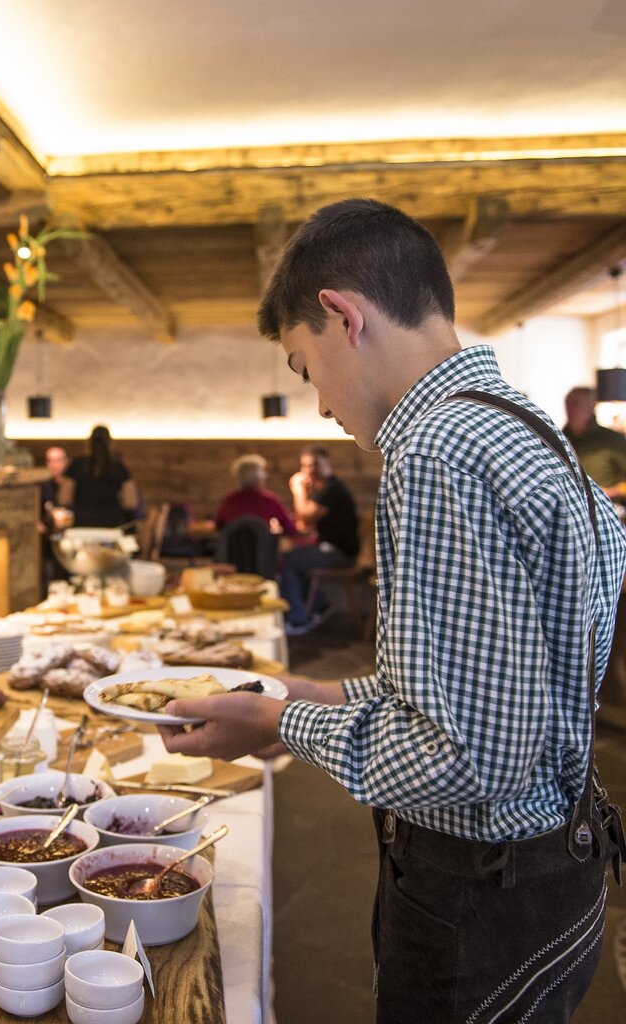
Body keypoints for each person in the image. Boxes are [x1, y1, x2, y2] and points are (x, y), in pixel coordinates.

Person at [157, 198, 626, 1024]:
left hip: (482, 896)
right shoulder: (525, 424)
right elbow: (483, 694)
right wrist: (300, 696)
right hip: (557, 869)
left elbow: (466, 759)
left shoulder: (434, 449)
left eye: (304, 368)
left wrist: (278, 725)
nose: (320, 407)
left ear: (342, 316)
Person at [279, 445, 359, 634]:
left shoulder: (332, 489)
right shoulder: (323, 489)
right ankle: (318, 604)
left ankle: (299, 619)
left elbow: (305, 518)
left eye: (314, 464)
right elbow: (304, 525)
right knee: (292, 558)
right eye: (305, 466)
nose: (309, 470)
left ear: (327, 463)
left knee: (288, 560)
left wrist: (298, 490)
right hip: (330, 548)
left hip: (340, 553)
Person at [57, 425, 140, 528]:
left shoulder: (77, 465)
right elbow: (131, 503)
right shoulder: (118, 467)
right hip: (112, 525)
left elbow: (64, 499)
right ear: (110, 442)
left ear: (89, 442)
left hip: (83, 524)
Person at [563, 385, 626, 502]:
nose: (570, 408)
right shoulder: (559, 439)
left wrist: (608, 492)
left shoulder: (612, 439)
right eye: (567, 403)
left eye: (576, 403)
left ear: (591, 406)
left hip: (605, 508)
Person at [214, 453, 297, 535]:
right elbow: (290, 528)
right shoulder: (269, 500)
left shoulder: (229, 501)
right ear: (259, 478)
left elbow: (218, 526)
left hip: (233, 548)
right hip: (264, 548)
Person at [39, 445, 70, 594]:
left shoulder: (71, 484)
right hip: (49, 539)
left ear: (66, 462)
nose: (54, 465)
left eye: (58, 460)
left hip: (69, 537)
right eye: (50, 461)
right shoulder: (42, 487)